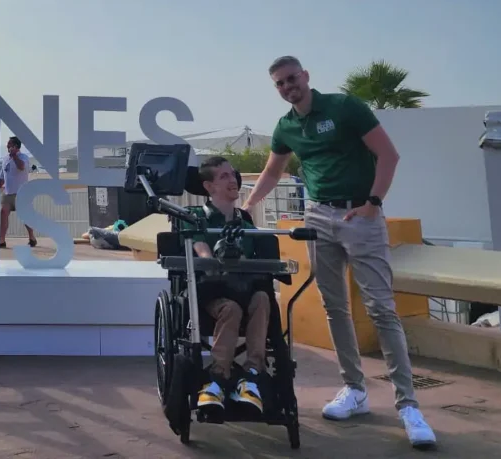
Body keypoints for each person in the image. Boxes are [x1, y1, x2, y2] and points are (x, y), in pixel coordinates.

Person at [243, 55, 437, 449]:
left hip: (360, 215)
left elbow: (388, 155)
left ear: (306, 76)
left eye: (291, 78)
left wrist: (373, 203)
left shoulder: (345, 107)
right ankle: (355, 390)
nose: (287, 87)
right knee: (334, 307)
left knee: (381, 308)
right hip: (318, 217)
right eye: (279, 83)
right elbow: (272, 172)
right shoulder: (286, 126)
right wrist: (246, 208)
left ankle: (409, 406)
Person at [183, 156, 270, 416]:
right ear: (209, 187)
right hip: (212, 293)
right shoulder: (195, 217)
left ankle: (253, 374)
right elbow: (200, 249)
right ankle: (218, 378)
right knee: (230, 309)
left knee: (264, 299)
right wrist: (213, 261)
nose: (233, 180)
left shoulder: (244, 223)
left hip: (244, 288)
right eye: (224, 177)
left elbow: (259, 260)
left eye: (233, 175)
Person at [0, 136, 37, 249]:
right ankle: (1, 240)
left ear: (16, 146)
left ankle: (32, 237)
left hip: (21, 193)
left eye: (10, 145)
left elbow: (21, 167)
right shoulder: (5, 159)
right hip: (8, 193)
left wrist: (14, 156)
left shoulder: (23, 157)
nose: (8, 147)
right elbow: (2, 175)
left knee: (25, 217)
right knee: (3, 212)